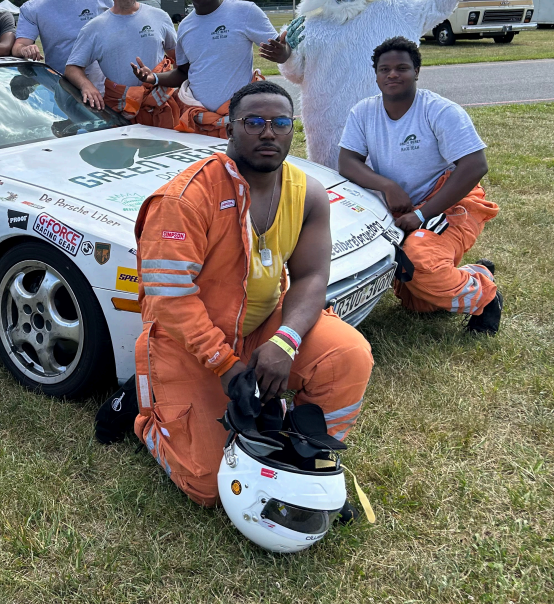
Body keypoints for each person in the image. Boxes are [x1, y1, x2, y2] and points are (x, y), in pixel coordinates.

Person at [133, 81, 374, 507]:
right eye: (254, 122)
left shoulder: (308, 192)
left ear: (292, 130)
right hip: (187, 344)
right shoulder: (186, 198)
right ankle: (146, 417)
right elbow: (170, 298)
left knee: (348, 354)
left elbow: (312, 277)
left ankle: (306, 453)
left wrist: (286, 340)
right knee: (209, 487)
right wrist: (225, 365)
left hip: (262, 328)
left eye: (281, 123)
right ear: (229, 129)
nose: (268, 133)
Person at [263, 0, 476, 169]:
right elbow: (296, 74)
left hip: (387, 128)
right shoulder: (310, 24)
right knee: (336, 195)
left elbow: (437, 5)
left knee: (390, 188)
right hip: (328, 133)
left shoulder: (396, 9)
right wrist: (286, 57)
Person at [338, 36, 502, 333]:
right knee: (419, 301)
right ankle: (474, 273)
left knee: (418, 262)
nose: (392, 74)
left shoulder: (439, 110)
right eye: (384, 69)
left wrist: (422, 214)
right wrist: (387, 186)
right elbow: (347, 162)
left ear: (417, 71)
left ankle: (487, 297)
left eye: (402, 67)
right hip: (404, 207)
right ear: (375, 74)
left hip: (451, 204)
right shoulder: (363, 112)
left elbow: (475, 165)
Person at [132, 0, 278, 136]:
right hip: (198, 122)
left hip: (238, 120)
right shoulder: (185, 26)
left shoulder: (245, 12)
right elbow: (184, 72)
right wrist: (154, 78)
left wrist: (283, 52)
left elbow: (280, 49)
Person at [65, 0, 179, 126]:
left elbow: (178, 60)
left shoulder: (159, 17)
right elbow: (72, 67)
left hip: (160, 108)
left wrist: (163, 81)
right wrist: (86, 86)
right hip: (120, 114)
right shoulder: (95, 28)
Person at [12, 0, 112, 89]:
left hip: (104, 93)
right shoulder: (33, 8)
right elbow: (18, 46)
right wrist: (25, 50)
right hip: (62, 93)